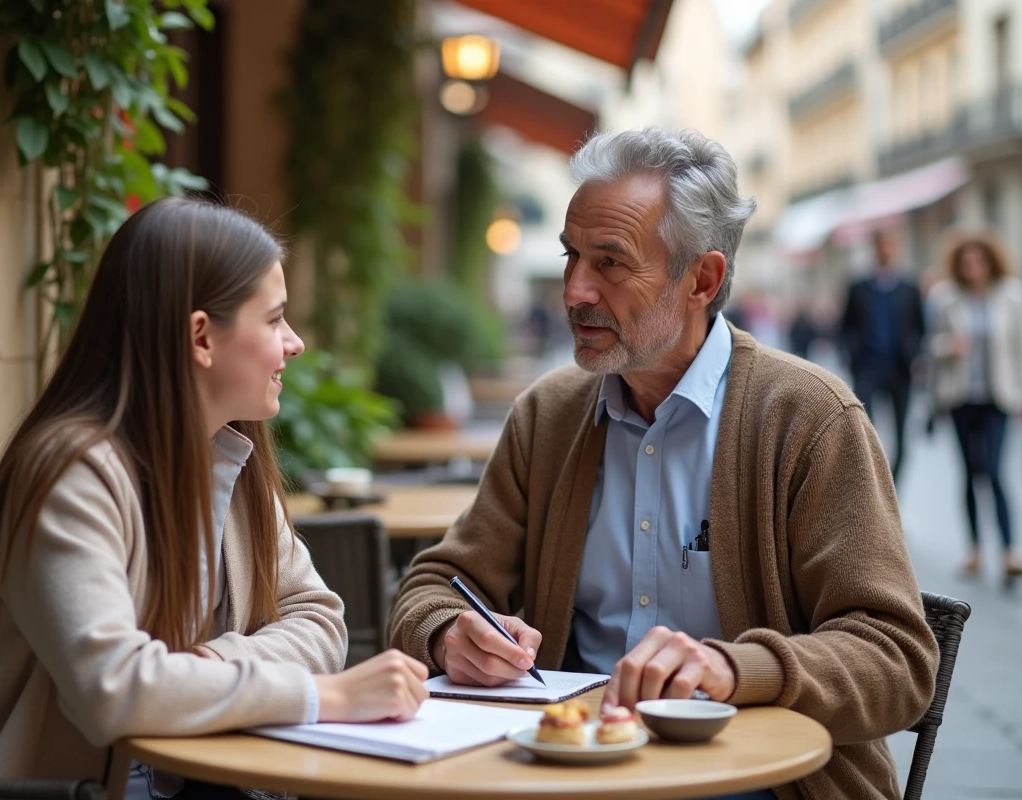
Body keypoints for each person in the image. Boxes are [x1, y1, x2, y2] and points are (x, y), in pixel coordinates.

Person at [389, 127, 938, 800]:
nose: (575, 290)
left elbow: (899, 660)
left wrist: (734, 670)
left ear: (701, 279)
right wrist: (450, 633)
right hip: (569, 774)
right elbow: (435, 584)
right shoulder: (550, 415)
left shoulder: (809, 418)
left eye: (610, 263)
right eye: (571, 256)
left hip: (762, 782)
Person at [0, 198, 429, 798]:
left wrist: (206, 668)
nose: (293, 343)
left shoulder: (226, 458)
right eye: (273, 320)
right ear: (201, 337)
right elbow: (113, 691)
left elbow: (319, 618)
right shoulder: (67, 476)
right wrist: (324, 695)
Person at [926, 229, 1022, 580]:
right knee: (969, 473)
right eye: (965, 261)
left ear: (989, 260)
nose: (971, 266)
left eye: (977, 259)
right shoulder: (946, 298)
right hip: (961, 397)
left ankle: (1010, 551)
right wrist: (949, 346)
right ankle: (975, 550)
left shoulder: (1012, 296)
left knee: (995, 472)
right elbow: (932, 347)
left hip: (999, 397)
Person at [839, 229, 926, 481]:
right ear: (874, 249)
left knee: (901, 439)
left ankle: (892, 494)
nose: (886, 251)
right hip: (867, 368)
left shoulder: (909, 287)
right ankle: (875, 493)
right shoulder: (858, 287)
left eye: (890, 245)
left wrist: (915, 354)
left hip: (900, 370)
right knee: (867, 433)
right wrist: (852, 356)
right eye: (881, 246)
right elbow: (846, 327)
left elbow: (920, 327)